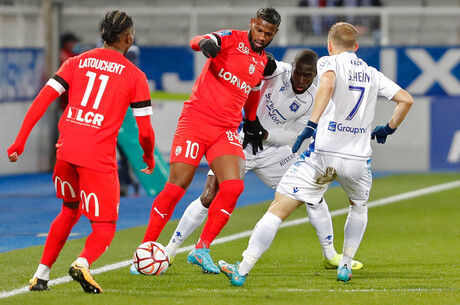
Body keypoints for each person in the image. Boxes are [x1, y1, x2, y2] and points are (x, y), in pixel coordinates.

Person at [218, 21, 413, 286]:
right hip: (358, 159)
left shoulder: (327, 63)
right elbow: (406, 100)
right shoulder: (372, 73)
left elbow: (329, 84)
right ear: (356, 46)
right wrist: (388, 129)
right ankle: (344, 264)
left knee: (278, 209)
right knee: (358, 207)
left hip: (322, 154)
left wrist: (311, 123)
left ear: (330, 45)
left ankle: (242, 269)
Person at [164, 49, 363, 272]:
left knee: (313, 194)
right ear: (292, 67)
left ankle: (330, 255)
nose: (300, 79)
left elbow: (295, 135)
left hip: (273, 150)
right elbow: (263, 63)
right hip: (240, 140)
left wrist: (264, 134)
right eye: (297, 73)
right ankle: (169, 251)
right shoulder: (278, 71)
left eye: (307, 75)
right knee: (210, 194)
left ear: (315, 75)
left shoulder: (314, 99)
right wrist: (260, 60)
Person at [7, 10, 156, 293]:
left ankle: (40, 276)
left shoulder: (76, 62)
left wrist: (20, 141)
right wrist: (147, 156)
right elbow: (145, 132)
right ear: (129, 38)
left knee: (68, 210)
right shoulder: (135, 76)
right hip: (97, 159)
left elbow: (43, 99)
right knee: (105, 226)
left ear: (102, 35)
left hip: (65, 153)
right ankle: (82, 263)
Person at [132, 7, 281, 275]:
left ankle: (201, 248)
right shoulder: (231, 38)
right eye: (259, 30)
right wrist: (204, 43)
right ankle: (146, 249)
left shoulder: (263, 62)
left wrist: (251, 120)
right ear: (252, 23)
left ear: (275, 34)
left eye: (268, 34)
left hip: (225, 129)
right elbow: (197, 39)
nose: (262, 36)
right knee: (178, 186)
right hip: (197, 121)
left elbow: (251, 93)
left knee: (233, 186)